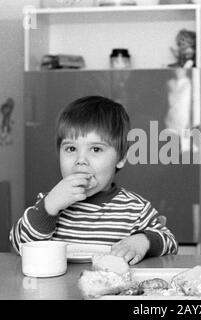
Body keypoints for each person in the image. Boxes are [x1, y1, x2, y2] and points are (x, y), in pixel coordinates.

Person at [10, 96, 178, 264]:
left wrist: (142, 241)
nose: (80, 160)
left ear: (121, 158)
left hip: (111, 289)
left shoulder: (135, 209)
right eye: (71, 149)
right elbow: (19, 246)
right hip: (57, 289)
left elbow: (170, 243)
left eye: (96, 149)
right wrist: (48, 207)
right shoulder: (49, 203)